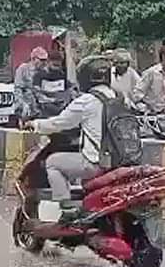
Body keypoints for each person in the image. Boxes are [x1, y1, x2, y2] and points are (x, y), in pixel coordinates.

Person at [23, 55, 115, 221]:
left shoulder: (86, 101)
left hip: (96, 163)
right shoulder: (119, 98)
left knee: (52, 163)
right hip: (119, 162)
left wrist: (34, 124)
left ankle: (66, 207)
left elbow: (60, 123)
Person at [133, 43, 165, 117]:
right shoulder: (151, 73)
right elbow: (137, 94)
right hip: (153, 116)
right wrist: (145, 109)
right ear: (164, 56)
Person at [14, 46, 49, 120]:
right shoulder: (23, 69)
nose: (44, 63)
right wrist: (22, 105)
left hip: (41, 109)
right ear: (34, 59)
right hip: (26, 107)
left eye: (45, 60)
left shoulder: (45, 72)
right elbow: (18, 89)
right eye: (41, 60)